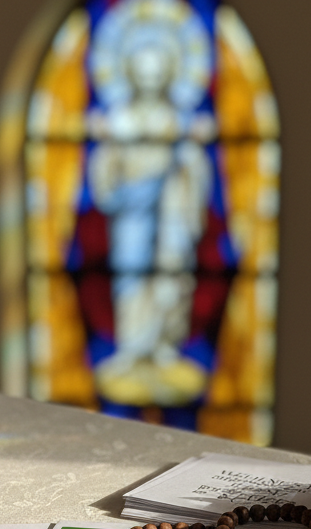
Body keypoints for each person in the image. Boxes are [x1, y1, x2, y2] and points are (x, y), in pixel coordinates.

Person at [86, 2, 215, 407]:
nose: (151, 76)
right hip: (131, 213)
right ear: (128, 71)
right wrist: (107, 154)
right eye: (142, 69)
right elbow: (105, 173)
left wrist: (189, 158)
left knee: (171, 272)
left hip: (172, 210)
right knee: (129, 272)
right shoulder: (118, 119)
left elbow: (194, 167)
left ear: (171, 72)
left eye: (159, 69)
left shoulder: (181, 119)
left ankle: (162, 347)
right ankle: (132, 348)